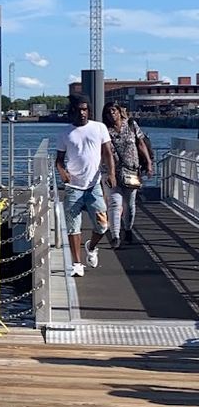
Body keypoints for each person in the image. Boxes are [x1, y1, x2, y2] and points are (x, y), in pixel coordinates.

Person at [55, 95, 116, 277]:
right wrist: (62, 172)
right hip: (74, 187)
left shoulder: (99, 128)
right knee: (73, 227)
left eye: (85, 109)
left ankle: (91, 246)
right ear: (72, 111)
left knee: (103, 225)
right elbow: (58, 160)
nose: (82, 113)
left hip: (94, 185)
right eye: (79, 109)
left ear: (89, 111)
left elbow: (107, 153)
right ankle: (77, 263)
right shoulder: (65, 133)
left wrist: (111, 173)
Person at [101, 101, 154, 247]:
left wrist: (148, 163)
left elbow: (141, 144)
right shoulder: (104, 129)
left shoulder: (131, 124)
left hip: (131, 169)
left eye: (113, 111)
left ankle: (128, 229)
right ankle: (115, 236)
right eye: (108, 112)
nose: (111, 114)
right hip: (110, 171)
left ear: (119, 111)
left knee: (129, 204)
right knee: (114, 203)